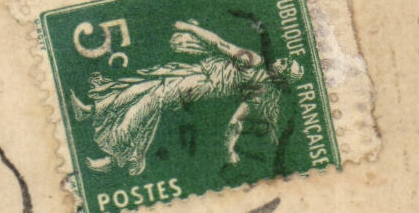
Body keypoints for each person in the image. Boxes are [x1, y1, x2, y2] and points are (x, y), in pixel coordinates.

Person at [70, 20, 305, 176]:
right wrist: (230, 151)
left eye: (284, 64)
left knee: (151, 97)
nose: (280, 60)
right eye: (284, 60)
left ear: (281, 76)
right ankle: (94, 112)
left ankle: (116, 155)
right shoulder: (258, 73)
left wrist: (229, 150)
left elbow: (219, 44)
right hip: (193, 72)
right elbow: (236, 120)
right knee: (144, 85)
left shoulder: (257, 70)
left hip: (199, 84)